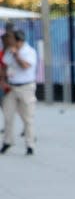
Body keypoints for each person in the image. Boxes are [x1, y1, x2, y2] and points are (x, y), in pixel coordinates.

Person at [1, 27, 38, 156]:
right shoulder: (9, 51)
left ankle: (30, 144)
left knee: (27, 117)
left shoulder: (29, 52)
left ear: (19, 41)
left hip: (26, 88)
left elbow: (25, 66)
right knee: (8, 116)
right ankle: (7, 141)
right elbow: (4, 64)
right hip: (12, 87)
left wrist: (16, 55)